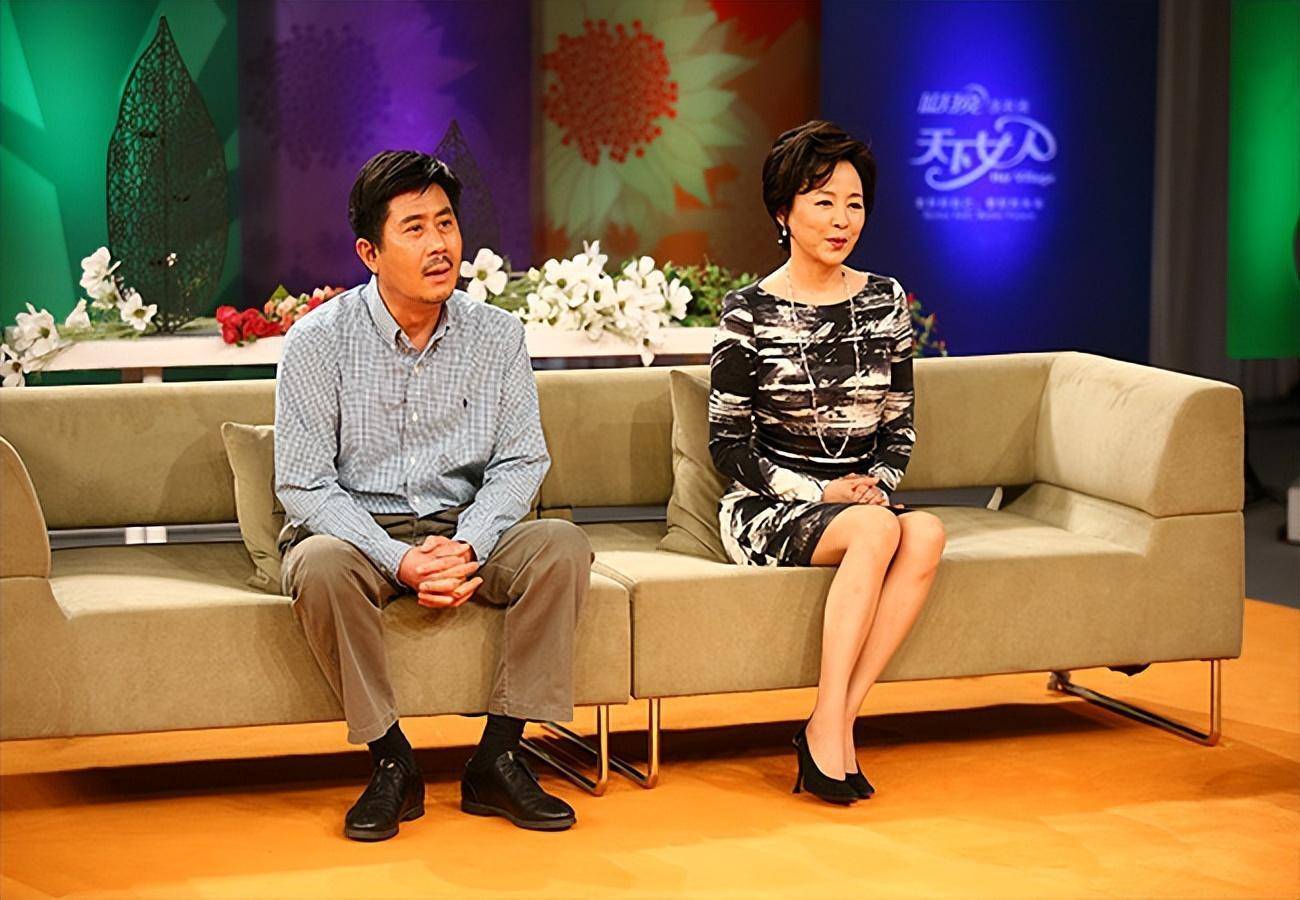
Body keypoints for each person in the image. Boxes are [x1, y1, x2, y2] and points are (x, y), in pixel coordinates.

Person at [275, 150, 592, 839]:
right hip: (360, 530)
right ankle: (392, 762)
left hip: (464, 525)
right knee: (319, 566)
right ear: (369, 252)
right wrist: (398, 559)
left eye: (446, 223)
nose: (439, 244)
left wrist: (468, 543)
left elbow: (522, 459)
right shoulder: (317, 342)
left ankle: (499, 757)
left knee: (562, 547)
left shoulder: (498, 335)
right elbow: (303, 483)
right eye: (414, 228)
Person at [709, 120, 947, 804]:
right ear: (783, 212)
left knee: (926, 533)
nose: (842, 220)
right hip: (770, 507)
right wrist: (819, 494)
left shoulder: (885, 299)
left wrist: (878, 484)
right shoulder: (747, 312)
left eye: (854, 203)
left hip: (859, 502)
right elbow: (728, 444)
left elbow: (900, 425)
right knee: (876, 530)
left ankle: (832, 721)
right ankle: (828, 734)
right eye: (823, 202)